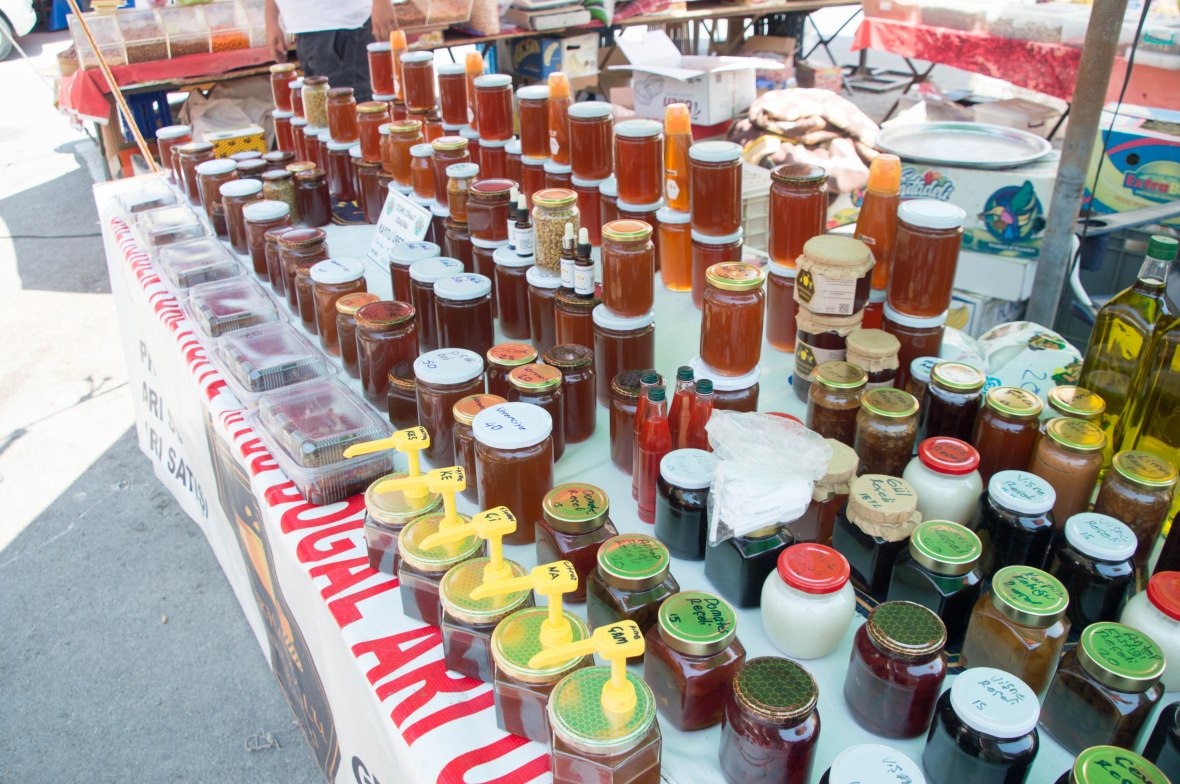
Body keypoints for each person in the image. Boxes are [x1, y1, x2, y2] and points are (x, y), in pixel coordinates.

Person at [264, 0, 397, 101]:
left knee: (348, 114)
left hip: (342, 27)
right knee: (325, 118)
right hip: (305, 29)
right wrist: (271, 20)